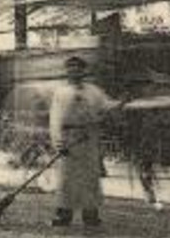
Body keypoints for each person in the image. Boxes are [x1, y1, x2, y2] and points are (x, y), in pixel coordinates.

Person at [47, 55, 118, 228]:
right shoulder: (61, 92)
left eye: (78, 68)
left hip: (88, 138)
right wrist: (58, 142)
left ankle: (90, 215)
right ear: (67, 72)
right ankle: (64, 214)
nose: (74, 71)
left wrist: (121, 104)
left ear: (84, 71)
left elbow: (106, 107)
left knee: (90, 177)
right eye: (71, 68)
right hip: (68, 139)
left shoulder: (94, 91)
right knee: (67, 178)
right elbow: (54, 119)